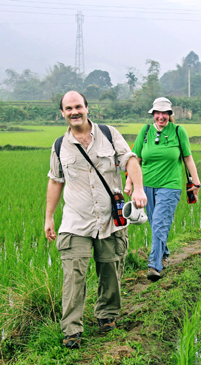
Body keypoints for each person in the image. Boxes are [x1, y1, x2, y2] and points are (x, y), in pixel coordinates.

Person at [45, 91, 147, 350]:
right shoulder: (59, 146)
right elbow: (55, 181)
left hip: (109, 220)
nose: (74, 112)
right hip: (75, 222)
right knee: (73, 278)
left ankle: (107, 316)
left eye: (78, 106)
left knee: (110, 271)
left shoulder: (109, 134)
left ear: (87, 108)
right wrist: (49, 217)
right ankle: (72, 331)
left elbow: (130, 160)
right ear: (62, 113)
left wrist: (138, 189)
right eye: (68, 108)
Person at [125, 97, 201, 281]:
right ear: (153, 114)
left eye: (164, 113)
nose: (161, 116)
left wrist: (196, 183)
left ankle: (154, 265)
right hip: (146, 185)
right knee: (155, 223)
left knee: (160, 222)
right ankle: (164, 254)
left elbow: (188, 159)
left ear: (169, 115)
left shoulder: (178, 131)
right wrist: (130, 183)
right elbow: (135, 159)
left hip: (170, 185)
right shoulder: (145, 131)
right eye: (157, 113)